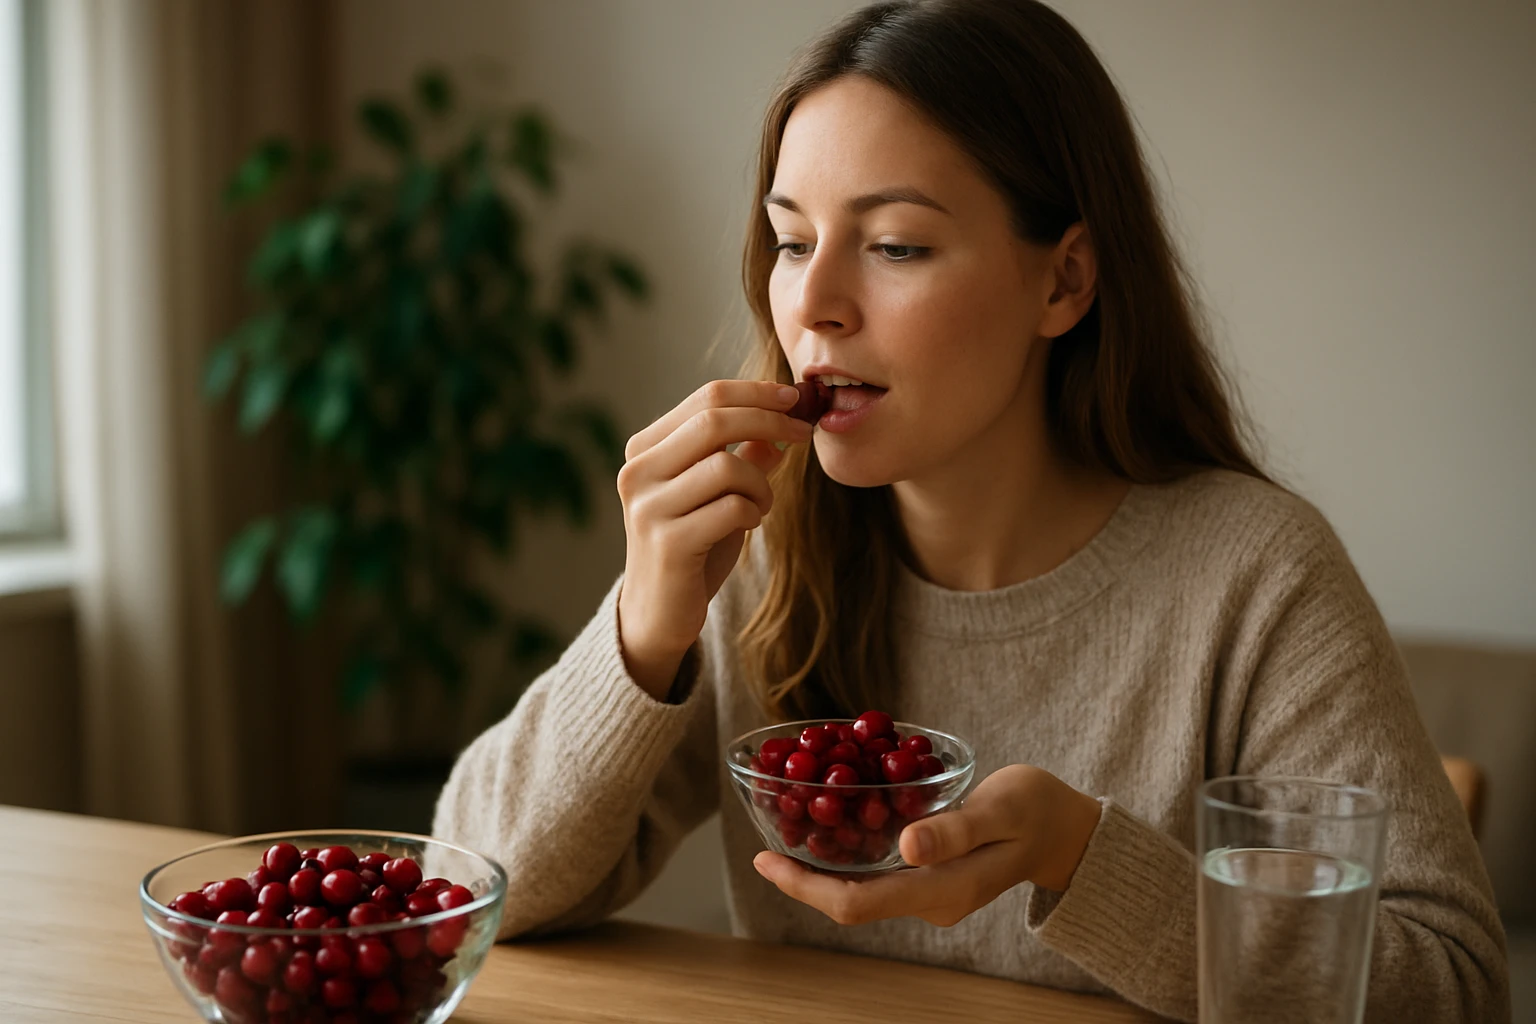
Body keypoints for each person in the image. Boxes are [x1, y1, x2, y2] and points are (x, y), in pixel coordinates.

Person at [432, 1, 1510, 1019]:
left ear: (1065, 282)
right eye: (792, 240)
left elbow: (1456, 987)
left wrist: (1085, 857)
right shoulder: (762, 552)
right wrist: (644, 626)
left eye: (895, 244)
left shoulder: (1256, 576)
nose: (813, 304)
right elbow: (469, 891)